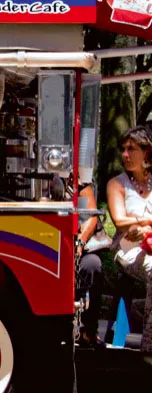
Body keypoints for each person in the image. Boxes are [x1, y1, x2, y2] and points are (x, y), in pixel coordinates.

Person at [107, 126, 152, 354]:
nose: (125, 154)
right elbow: (119, 221)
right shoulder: (117, 184)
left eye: (131, 149)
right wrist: (146, 222)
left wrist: (144, 227)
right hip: (128, 249)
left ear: (147, 152)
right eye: (123, 149)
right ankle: (149, 344)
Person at [76, 177, 106, 348]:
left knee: (92, 265)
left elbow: (90, 216)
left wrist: (80, 241)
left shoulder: (78, 183)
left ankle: (89, 332)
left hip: (78, 247)